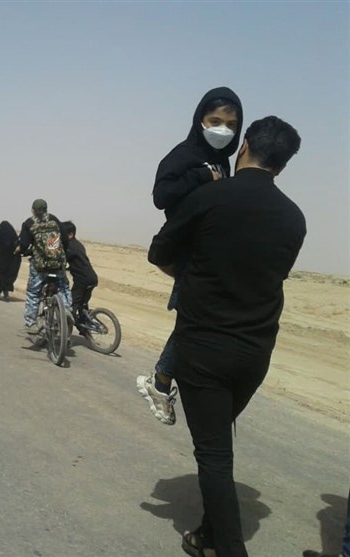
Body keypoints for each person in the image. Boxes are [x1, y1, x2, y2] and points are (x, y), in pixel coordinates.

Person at [148, 116, 304, 557]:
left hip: (204, 351)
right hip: (255, 353)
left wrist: (194, 277)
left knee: (214, 457)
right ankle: (207, 536)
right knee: (218, 441)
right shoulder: (294, 218)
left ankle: (228, 549)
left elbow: (159, 252)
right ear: (284, 164)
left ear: (245, 145)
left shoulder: (211, 198)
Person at [138, 86, 244, 426]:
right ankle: (161, 380)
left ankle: (166, 380)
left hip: (209, 252)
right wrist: (201, 176)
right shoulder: (183, 155)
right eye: (215, 121)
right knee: (193, 321)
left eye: (230, 124)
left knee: (196, 320)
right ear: (200, 120)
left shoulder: (223, 160)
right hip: (189, 252)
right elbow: (161, 195)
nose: (222, 130)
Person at [15, 199, 71, 334]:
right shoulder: (55, 220)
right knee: (63, 287)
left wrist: (20, 251)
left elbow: (23, 245)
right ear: (46, 209)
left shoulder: (29, 223)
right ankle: (67, 311)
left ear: (33, 210)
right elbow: (65, 239)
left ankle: (30, 323)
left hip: (39, 267)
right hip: (57, 265)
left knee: (33, 292)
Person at [60, 221, 98, 331]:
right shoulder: (78, 244)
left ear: (70, 234)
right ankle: (84, 327)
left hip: (82, 280)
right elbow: (77, 261)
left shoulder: (70, 246)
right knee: (83, 304)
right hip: (91, 278)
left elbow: (62, 259)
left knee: (72, 305)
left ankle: (66, 334)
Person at [0, 220, 22, 300]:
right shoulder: (13, 235)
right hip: (12, 259)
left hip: (1, 258)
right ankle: (5, 292)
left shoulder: (0, 232)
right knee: (7, 275)